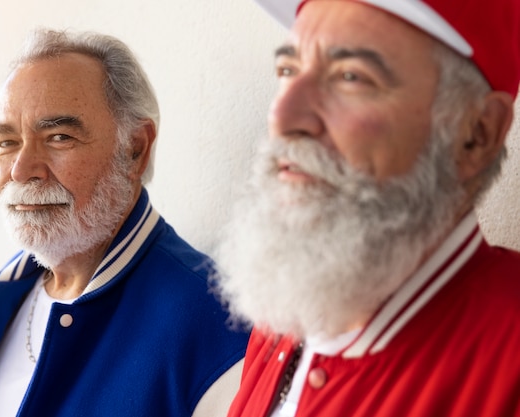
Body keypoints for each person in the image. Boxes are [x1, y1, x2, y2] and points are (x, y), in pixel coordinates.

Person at [214, 0, 520, 416]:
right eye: (288, 70)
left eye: (350, 77)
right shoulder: (290, 310)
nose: (284, 117)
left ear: (477, 135)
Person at [0, 28, 248, 417]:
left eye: (59, 137)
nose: (22, 170)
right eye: (6, 143)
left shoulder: (215, 323)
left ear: (135, 149)